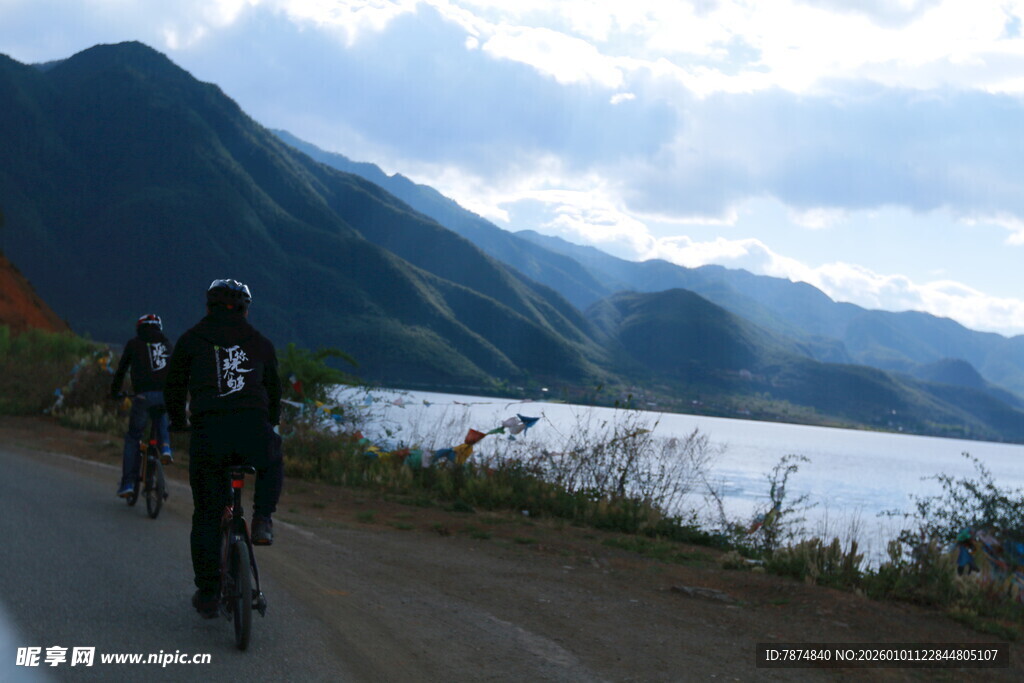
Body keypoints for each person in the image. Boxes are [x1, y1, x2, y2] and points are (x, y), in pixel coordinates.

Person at [164, 279, 283, 619]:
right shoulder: (261, 343)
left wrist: (177, 422)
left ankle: (208, 592)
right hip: (252, 433)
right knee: (272, 455)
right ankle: (262, 518)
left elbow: (174, 387)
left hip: (209, 435)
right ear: (246, 309)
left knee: (205, 515)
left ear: (208, 306)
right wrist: (269, 425)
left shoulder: (191, 340)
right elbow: (273, 394)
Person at [110, 313, 173, 498]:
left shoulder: (134, 344)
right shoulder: (168, 345)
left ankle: (128, 483)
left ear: (140, 328)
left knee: (133, 437)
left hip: (143, 397)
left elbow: (121, 372)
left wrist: (115, 393)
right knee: (161, 410)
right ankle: (166, 446)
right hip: (165, 396)